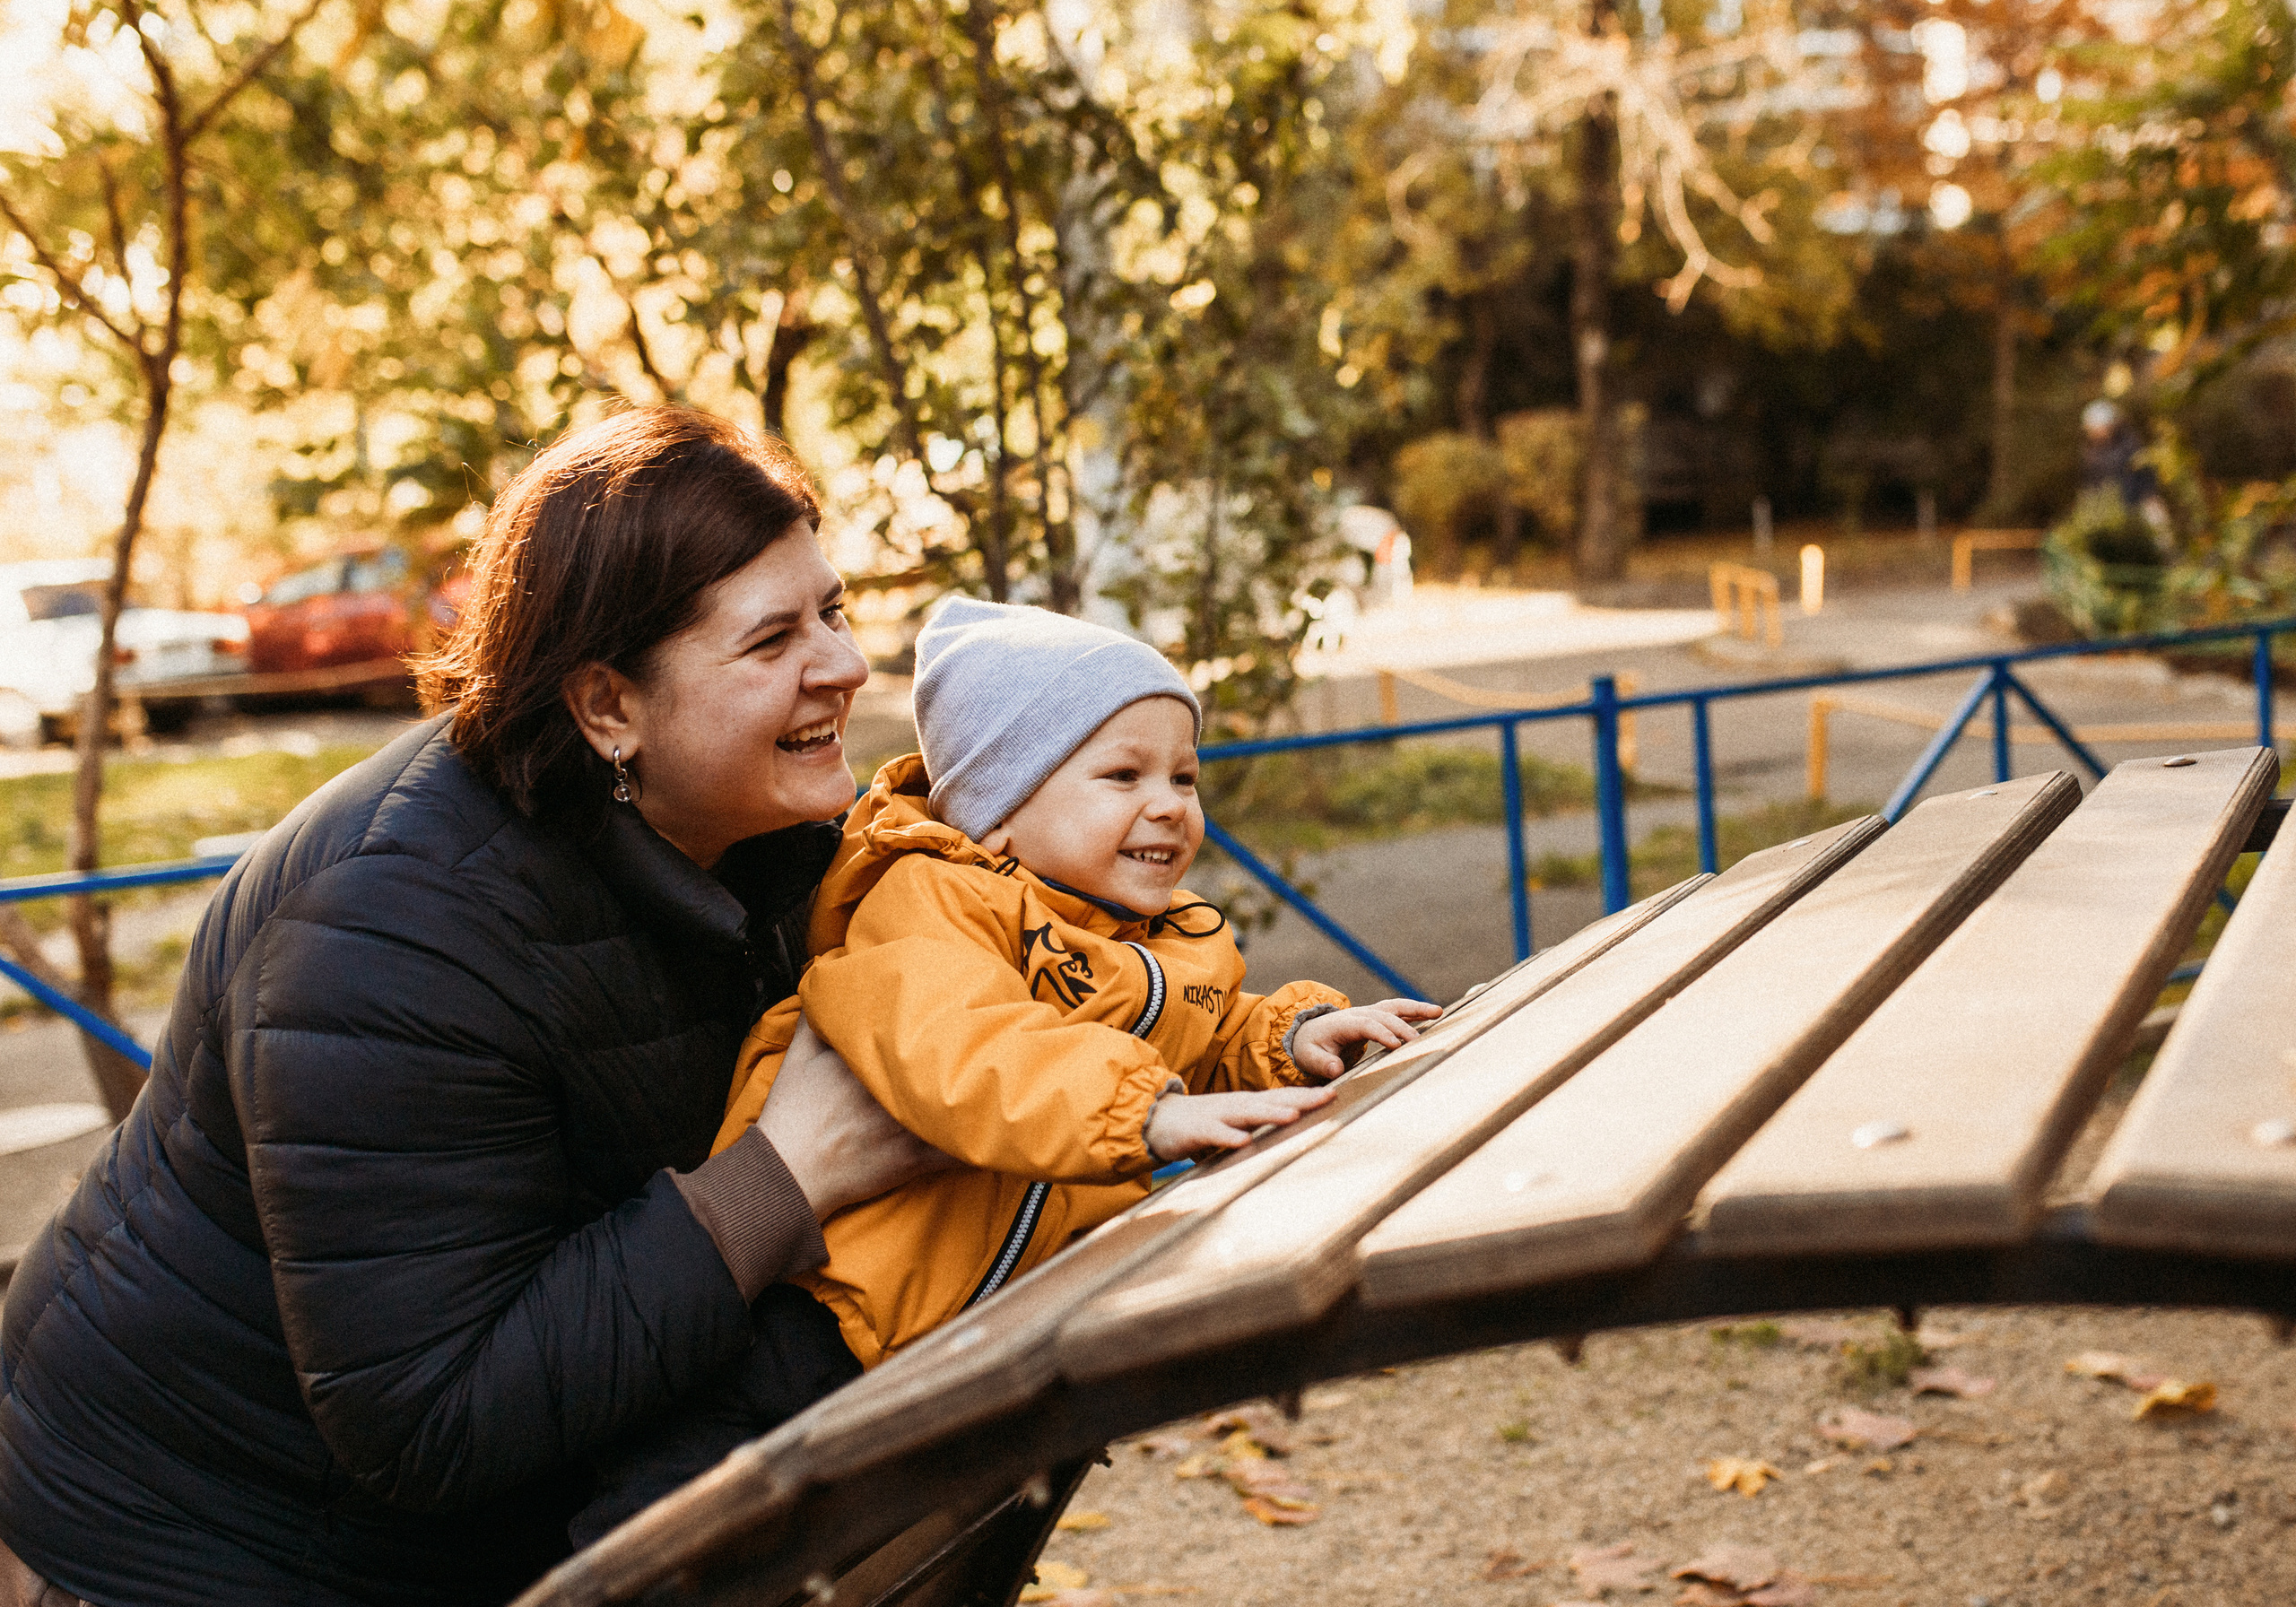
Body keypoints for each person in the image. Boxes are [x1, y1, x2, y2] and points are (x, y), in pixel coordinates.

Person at [0, 407, 952, 1606]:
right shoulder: (389, 938)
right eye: (771, 640)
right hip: (202, 1532)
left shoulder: (761, 834)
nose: (845, 666)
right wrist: (785, 1177)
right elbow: (421, 1417)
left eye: (834, 611)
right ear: (607, 707)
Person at [578, 601, 1437, 1536]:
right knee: (677, 1523)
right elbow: (970, 1044)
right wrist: (1141, 1113)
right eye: (1122, 774)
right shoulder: (927, 901)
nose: (1169, 803)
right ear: (1000, 811)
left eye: (1184, 775)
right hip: (828, 1318)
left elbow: (1209, 1036)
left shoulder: (1157, 945)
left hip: (962, 1343)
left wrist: (1290, 1036)